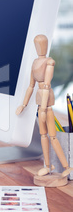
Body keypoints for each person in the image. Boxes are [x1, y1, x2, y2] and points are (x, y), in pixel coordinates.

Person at [16, 34, 72, 178]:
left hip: (46, 101)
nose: (39, 47)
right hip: (39, 98)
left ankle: (66, 167)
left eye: (41, 44)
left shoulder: (49, 62)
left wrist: (42, 107)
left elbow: (46, 85)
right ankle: (48, 166)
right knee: (43, 136)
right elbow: (30, 86)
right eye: (37, 44)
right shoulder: (34, 62)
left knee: (52, 136)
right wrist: (23, 104)